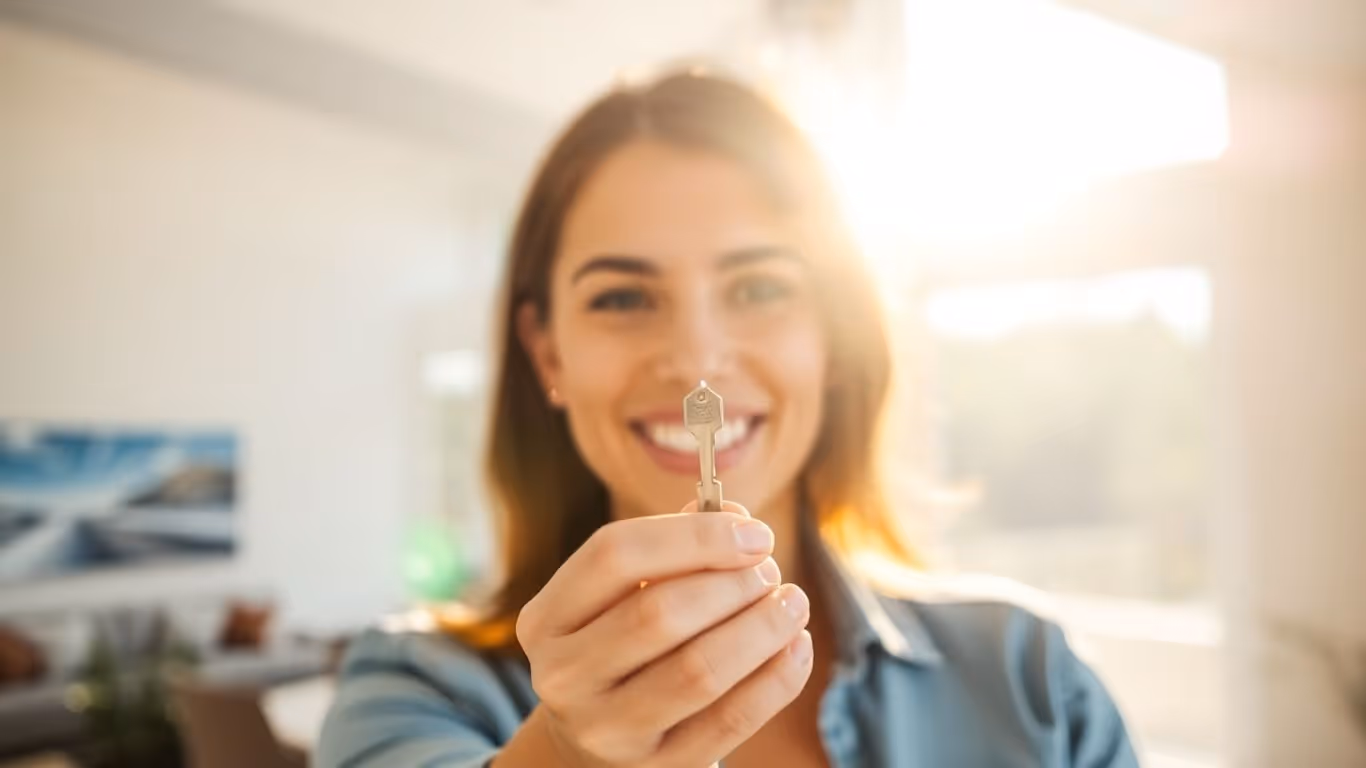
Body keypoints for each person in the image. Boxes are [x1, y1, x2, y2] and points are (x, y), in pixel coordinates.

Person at [317, 70, 1139, 768]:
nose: (698, 357)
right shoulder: (409, 686)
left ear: (832, 335)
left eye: (759, 288)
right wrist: (566, 755)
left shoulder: (1031, 682)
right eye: (624, 297)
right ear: (549, 354)